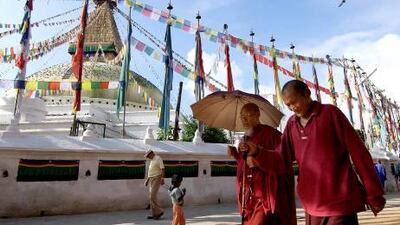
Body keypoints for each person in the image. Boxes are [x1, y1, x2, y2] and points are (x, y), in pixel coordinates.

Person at [280, 79, 385, 225]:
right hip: (312, 206)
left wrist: (374, 193)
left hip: (340, 203)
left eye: (294, 102)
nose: (292, 108)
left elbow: (359, 153)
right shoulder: (291, 124)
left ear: (307, 93)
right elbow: (281, 157)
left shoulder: (330, 114)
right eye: (288, 105)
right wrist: (257, 152)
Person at [227, 103, 296, 225]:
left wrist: (259, 160)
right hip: (248, 197)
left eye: (248, 116)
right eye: (242, 117)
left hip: (264, 197)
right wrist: (237, 156)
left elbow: (282, 161)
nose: (244, 120)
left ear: (257, 115)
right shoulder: (246, 138)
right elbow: (247, 166)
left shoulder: (271, 135)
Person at [144, 149, 165, 220]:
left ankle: (159, 211)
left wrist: (162, 179)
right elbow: (150, 172)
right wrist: (147, 180)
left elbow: (162, 169)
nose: (147, 157)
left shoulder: (158, 158)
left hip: (157, 178)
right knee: (151, 197)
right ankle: (153, 214)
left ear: (151, 154)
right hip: (151, 179)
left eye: (148, 156)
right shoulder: (152, 160)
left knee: (152, 195)